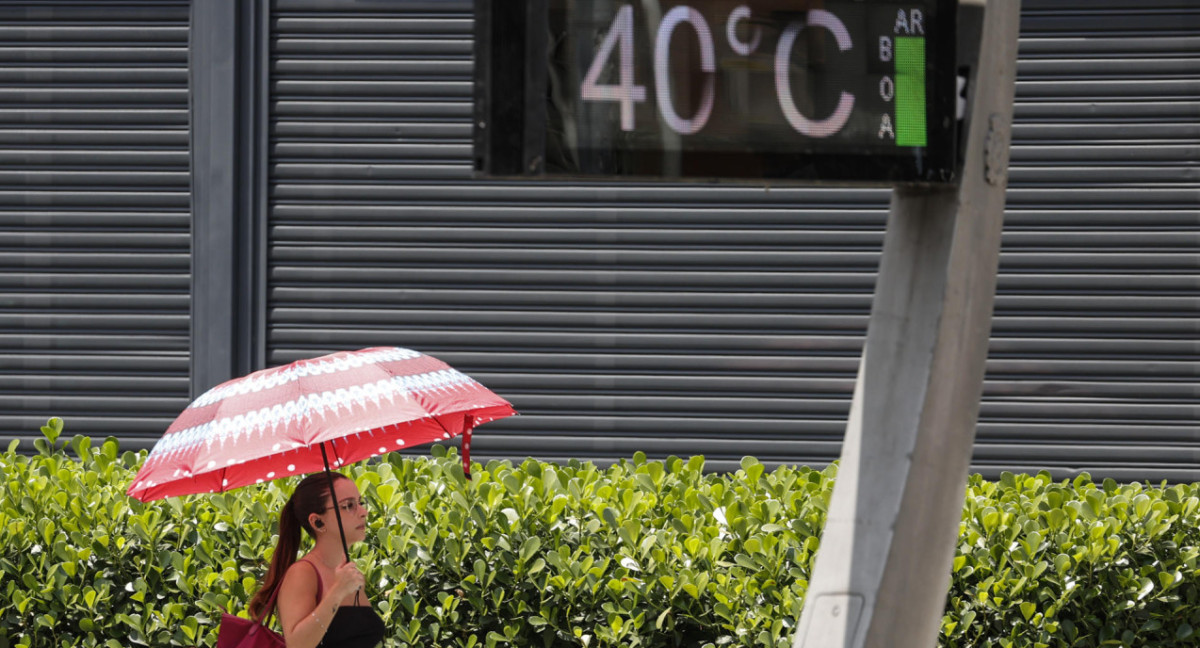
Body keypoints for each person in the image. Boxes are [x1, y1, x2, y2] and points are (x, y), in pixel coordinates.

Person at [248, 472, 386, 648]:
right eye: (349, 505)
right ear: (317, 522)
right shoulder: (303, 573)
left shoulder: (346, 570)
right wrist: (337, 592)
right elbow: (297, 644)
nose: (363, 512)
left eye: (360, 503)